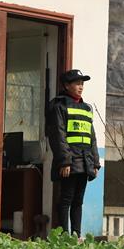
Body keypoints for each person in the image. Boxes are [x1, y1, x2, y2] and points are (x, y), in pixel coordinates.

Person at [45, 69, 100, 236]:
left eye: (82, 83)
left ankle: (76, 234)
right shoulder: (58, 106)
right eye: (77, 83)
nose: (81, 87)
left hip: (85, 162)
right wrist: (65, 161)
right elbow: (58, 136)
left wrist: (95, 163)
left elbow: (92, 137)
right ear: (67, 85)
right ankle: (64, 235)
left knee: (78, 201)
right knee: (66, 200)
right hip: (70, 162)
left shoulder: (86, 108)